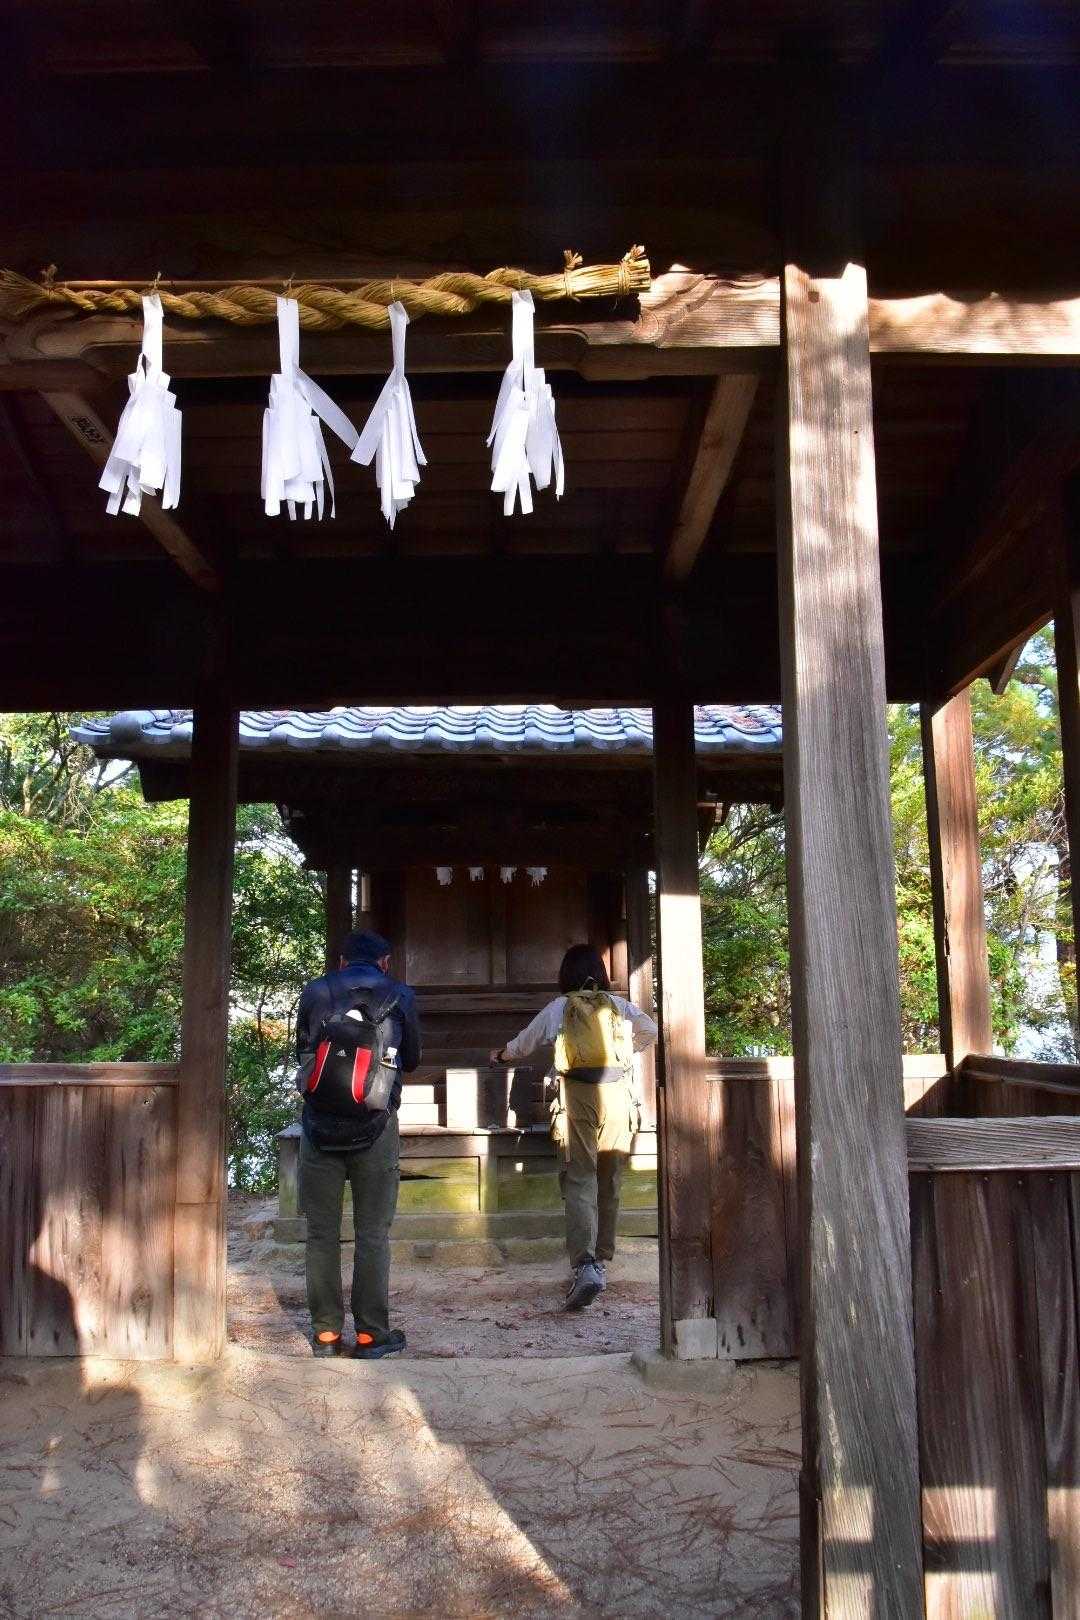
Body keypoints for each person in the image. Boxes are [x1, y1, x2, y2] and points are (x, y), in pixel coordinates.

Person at [490, 943, 657, 1311]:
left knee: (581, 1177)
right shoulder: (618, 1006)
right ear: (601, 973)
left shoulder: (559, 1007)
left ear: (565, 975)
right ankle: (603, 1258)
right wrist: (627, 1054)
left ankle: (585, 1265)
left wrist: (500, 1055)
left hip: (577, 1097)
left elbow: (523, 1044)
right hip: (618, 1096)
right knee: (609, 1177)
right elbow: (650, 1029)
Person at [296, 928, 421, 1358]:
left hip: (319, 1126)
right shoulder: (400, 995)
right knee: (372, 1234)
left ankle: (326, 1335)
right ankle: (371, 1334)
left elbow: (302, 1052)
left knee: (321, 1233)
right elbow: (413, 1059)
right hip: (376, 1125)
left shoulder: (315, 992)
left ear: (342, 962)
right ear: (385, 963)